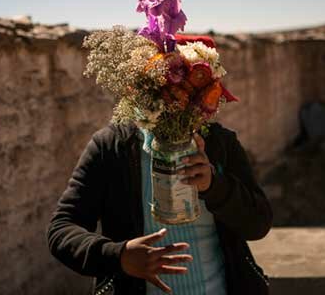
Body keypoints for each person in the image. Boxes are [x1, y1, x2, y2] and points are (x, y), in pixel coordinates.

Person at [46, 120, 272, 294]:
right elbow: (61, 229)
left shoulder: (220, 144)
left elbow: (259, 224)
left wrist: (214, 186)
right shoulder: (111, 147)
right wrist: (119, 256)